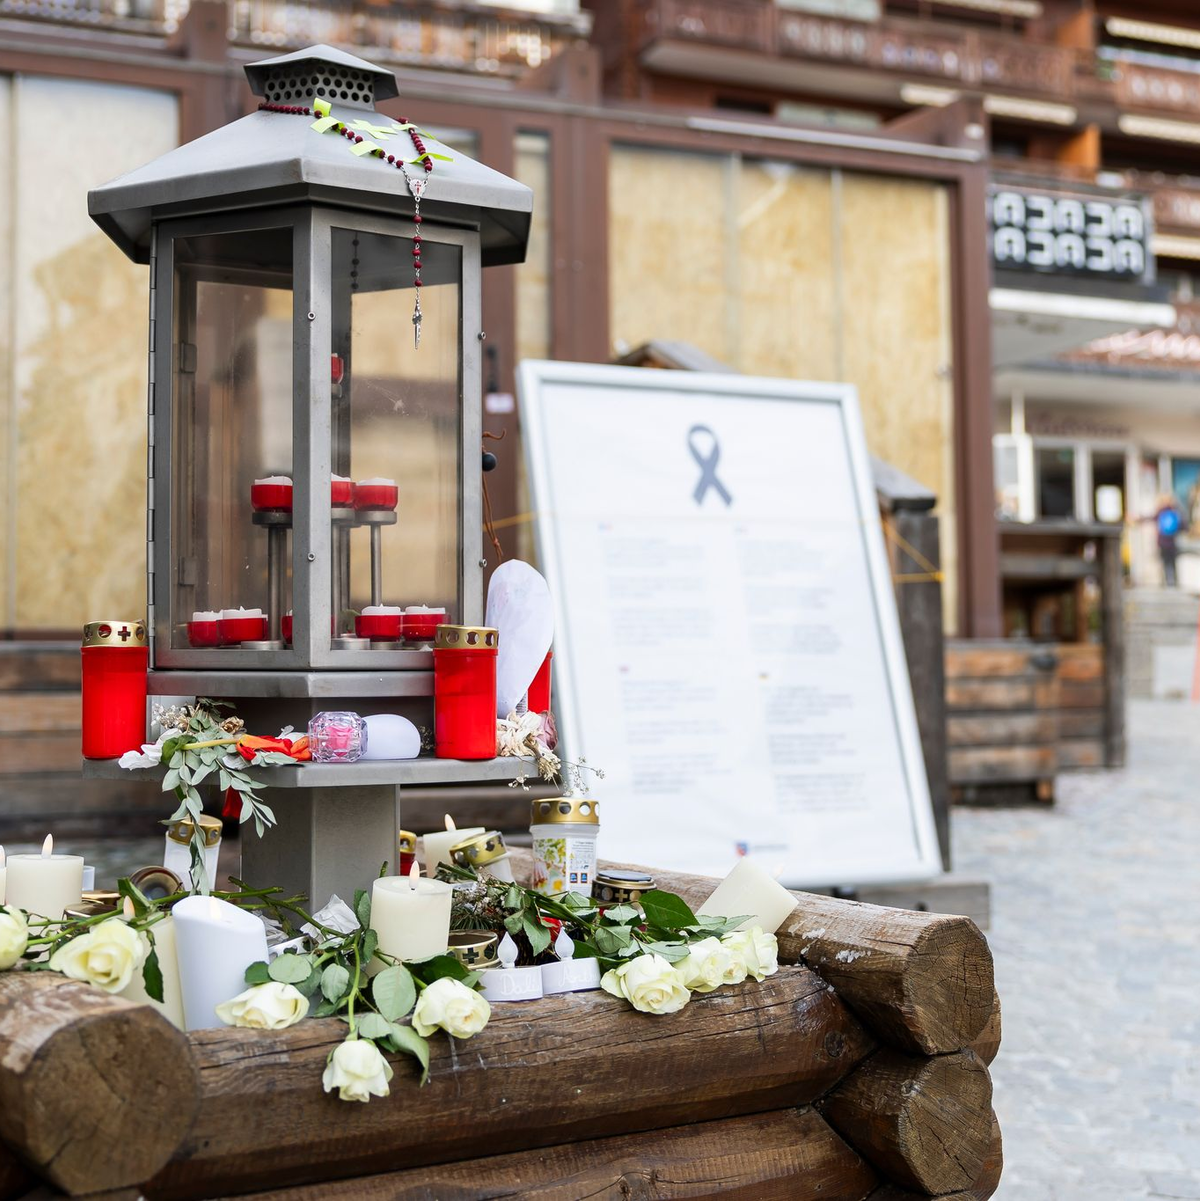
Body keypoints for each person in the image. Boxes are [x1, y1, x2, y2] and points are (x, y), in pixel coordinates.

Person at [1156, 494, 1183, 587]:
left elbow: (1150, 518)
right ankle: (1173, 581)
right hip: (1172, 543)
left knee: (1165, 562)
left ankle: (1167, 582)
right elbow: (1183, 526)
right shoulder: (1175, 512)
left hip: (1162, 543)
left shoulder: (1161, 512)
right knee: (1172, 562)